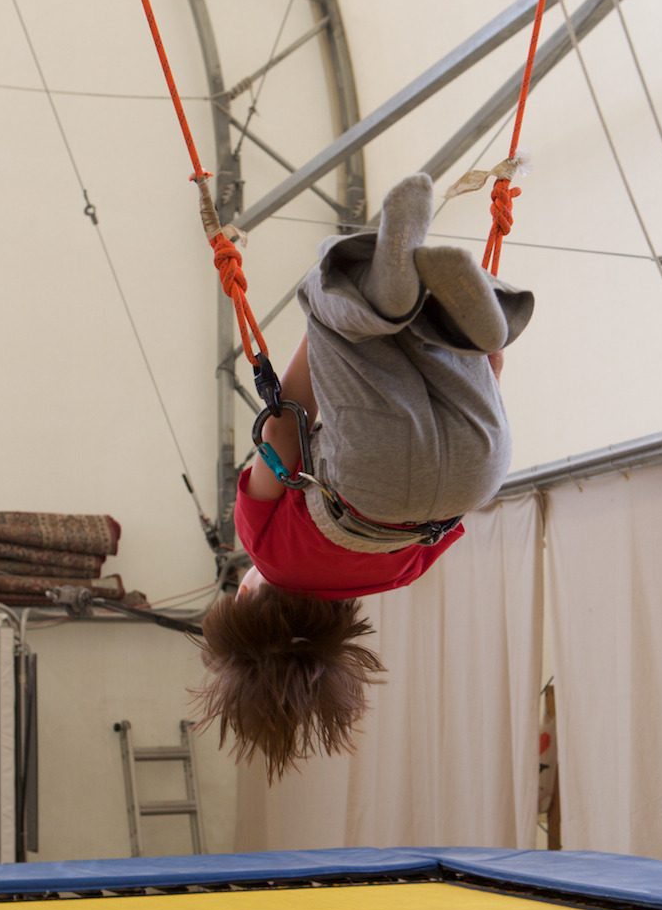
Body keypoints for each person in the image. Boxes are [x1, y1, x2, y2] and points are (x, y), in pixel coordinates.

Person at [196, 172, 534, 778]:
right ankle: (375, 293)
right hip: (369, 473)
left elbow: (442, 501)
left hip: (478, 472)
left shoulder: (395, 577)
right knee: (326, 290)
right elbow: (282, 431)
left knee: (435, 344)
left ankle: (475, 329)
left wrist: (489, 372)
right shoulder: (266, 551)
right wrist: (323, 330)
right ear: (246, 595)